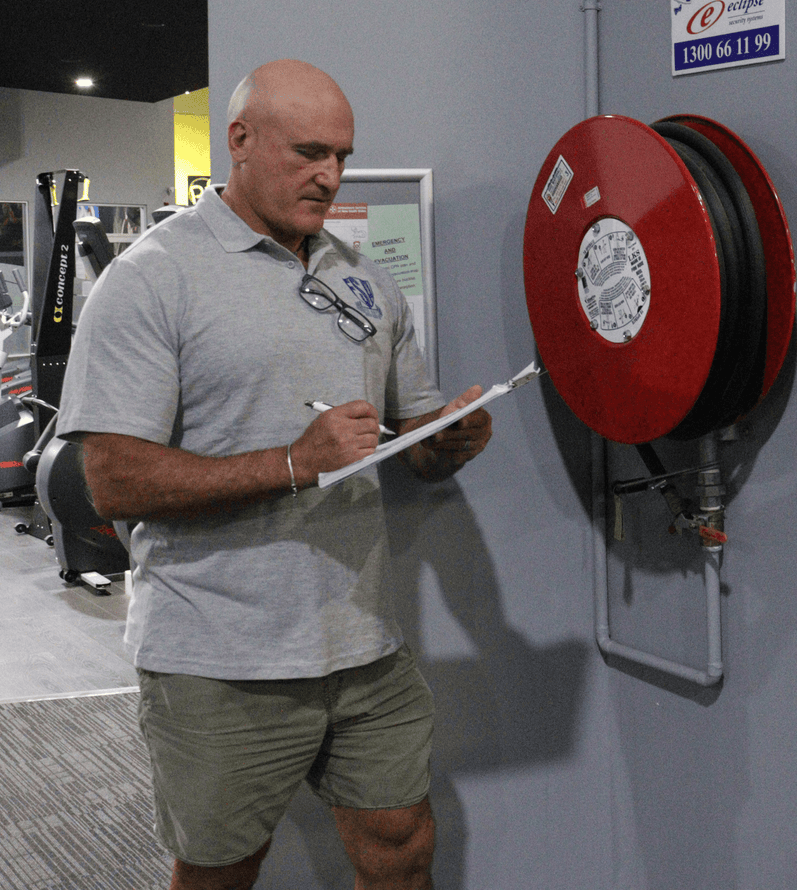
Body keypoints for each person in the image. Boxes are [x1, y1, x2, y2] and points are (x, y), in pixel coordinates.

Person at [56, 59, 492, 890]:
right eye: (309, 153)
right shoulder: (152, 278)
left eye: (342, 157)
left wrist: (447, 439)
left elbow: (411, 438)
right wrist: (295, 462)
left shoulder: (361, 276)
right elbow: (111, 481)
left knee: (403, 845)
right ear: (241, 142)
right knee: (221, 872)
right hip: (216, 654)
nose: (330, 176)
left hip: (363, 645)